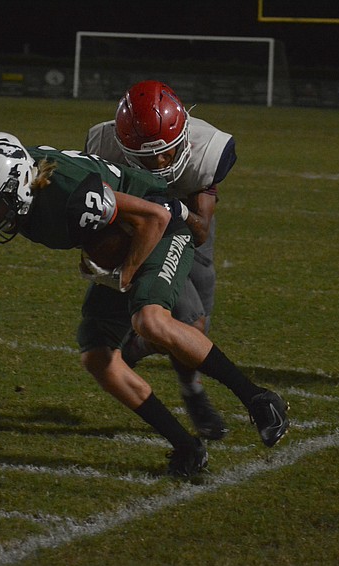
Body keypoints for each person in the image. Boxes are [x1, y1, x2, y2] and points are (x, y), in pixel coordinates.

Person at [0, 132, 288, 477]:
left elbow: (155, 216)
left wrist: (124, 273)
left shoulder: (72, 194)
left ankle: (260, 399)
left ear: (20, 182)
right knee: (98, 356)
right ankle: (187, 447)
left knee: (150, 320)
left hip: (158, 225)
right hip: (123, 229)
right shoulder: (26, 175)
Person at [85, 80, 235, 441]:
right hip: (144, 230)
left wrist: (176, 207)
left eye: (167, 152)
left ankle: (141, 349)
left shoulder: (205, 151)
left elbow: (200, 231)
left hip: (189, 225)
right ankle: (194, 394)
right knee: (191, 324)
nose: (159, 162)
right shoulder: (102, 145)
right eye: (148, 156)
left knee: (200, 324)